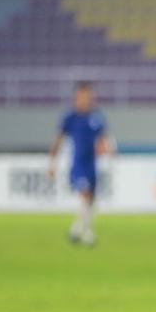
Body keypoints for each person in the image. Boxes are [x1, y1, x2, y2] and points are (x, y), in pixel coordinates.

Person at [48, 81, 110, 246]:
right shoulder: (70, 117)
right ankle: (88, 233)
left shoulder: (96, 117)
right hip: (78, 164)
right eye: (82, 96)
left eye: (88, 96)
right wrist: (52, 164)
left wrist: (106, 150)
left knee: (91, 200)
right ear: (76, 97)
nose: (85, 99)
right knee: (85, 194)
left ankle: (75, 230)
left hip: (92, 164)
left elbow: (103, 139)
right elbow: (58, 140)